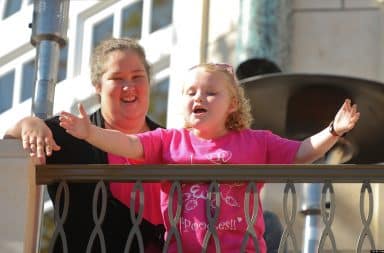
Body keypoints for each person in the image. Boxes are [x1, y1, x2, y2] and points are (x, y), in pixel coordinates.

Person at [58, 63, 360, 253]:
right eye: (191, 92)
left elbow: (301, 152)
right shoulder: (169, 140)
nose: (198, 98)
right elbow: (127, 143)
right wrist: (91, 133)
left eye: (210, 93)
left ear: (232, 105)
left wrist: (333, 130)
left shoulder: (255, 141)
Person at [4, 38, 165, 252]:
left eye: (137, 77)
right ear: (97, 85)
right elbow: (11, 141)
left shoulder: (169, 142)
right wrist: (30, 123)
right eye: (117, 78)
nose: (129, 87)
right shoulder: (75, 133)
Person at [235, 57, 284, 253]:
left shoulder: (261, 141)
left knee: (270, 225)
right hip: (207, 220)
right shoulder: (216, 133)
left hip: (241, 223)